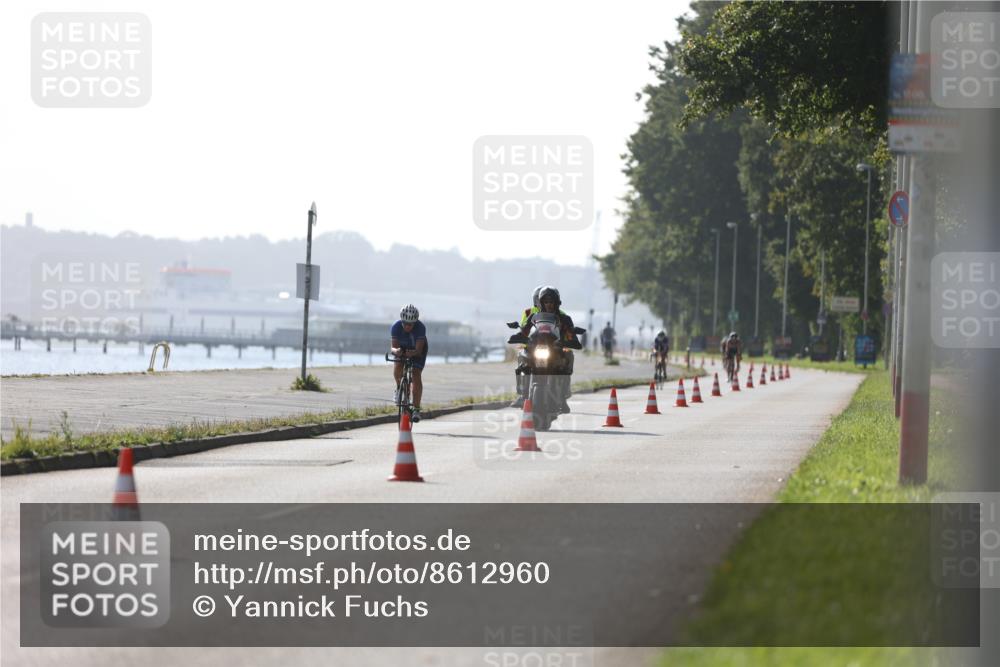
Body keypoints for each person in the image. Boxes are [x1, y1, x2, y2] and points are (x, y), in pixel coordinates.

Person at [520, 286, 580, 413]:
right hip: (538, 348)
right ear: (541, 303)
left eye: (551, 302)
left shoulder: (564, 318)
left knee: (568, 357)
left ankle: (562, 398)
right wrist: (520, 337)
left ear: (556, 303)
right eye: (546, 302)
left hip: (556, 349)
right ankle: (523, 393)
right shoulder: (534, 316)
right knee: (523, 358)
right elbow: (525, 330)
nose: (549, 305)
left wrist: (571, 340)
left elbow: (571, 333)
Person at [390, 304, 427, 422]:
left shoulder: (420, 328)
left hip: (417, 350)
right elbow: (393, 348)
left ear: (415, 323)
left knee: (416, 374)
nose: (407, 326)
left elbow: (418, 350)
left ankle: (416, 409)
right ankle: (399, 388)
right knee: (398, 366)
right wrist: (397, 351)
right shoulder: (396, 327)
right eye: (404, 323)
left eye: (410, 324)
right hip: (403, 349)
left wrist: (413, 353)